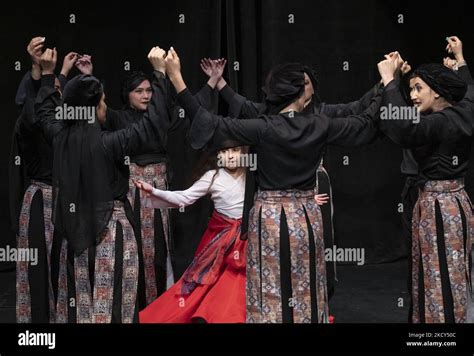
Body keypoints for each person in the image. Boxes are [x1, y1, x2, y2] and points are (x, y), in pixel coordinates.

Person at [164, 47, 382, 323]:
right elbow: (363, 124)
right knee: (305, 283)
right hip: (305, 217)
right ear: (301, 93)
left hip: (266, 219)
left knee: (268, 286)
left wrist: (176, 78)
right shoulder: (320, 124)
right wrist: (386, 85)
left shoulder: (262, 127)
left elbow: (208, 123)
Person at [34, 45, 170, 323]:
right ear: (96, 107)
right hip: (112, 236)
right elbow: (152, 125)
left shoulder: (60, 138)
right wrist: (159, 74)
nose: (106, 105)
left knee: (80, 306)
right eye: (103, 101)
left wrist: (49, 74)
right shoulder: (110, 143)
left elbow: (45, 111)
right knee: (115, 306)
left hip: (75, 238)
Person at [377, 46, 473, 323]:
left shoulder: (440, 123)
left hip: (439, 211)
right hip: (455, 203)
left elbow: (402, 128)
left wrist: (389, 81)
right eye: (411, 90)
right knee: (444, 274)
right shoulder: (464, 111)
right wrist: (461, 63)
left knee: (439, 277)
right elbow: (470, 89)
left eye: (419, 88)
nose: (414, 96)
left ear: (439, 92)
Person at [138, 142, 247, 323]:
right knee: (201, 291)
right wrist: (154, 191)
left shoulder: (251, 175)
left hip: (245, 243)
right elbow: (184, 197)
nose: (229, 156)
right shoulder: (213, 177)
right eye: (224, 151)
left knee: (236, 292)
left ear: (243, 152)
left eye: (234, 150)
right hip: (220, 244)